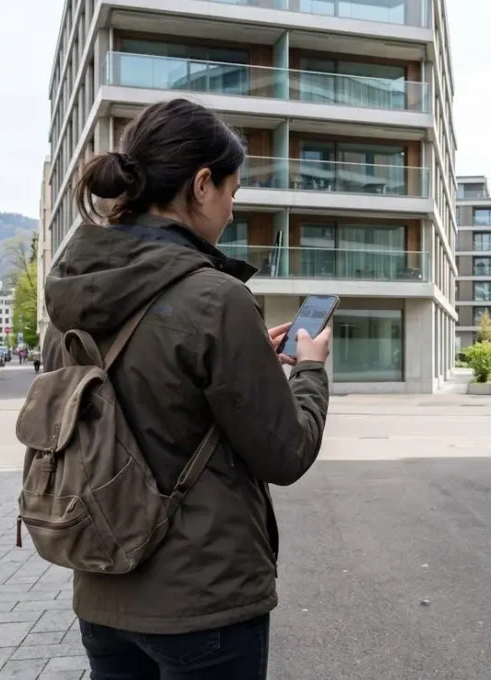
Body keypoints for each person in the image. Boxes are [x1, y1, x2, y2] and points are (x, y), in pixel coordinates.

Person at [44, 98, 330, 679]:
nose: (229, 212)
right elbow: (287, 452)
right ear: (202, 185)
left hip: (102, 589)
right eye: (231, 193)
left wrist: (249, 359)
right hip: (204, 604)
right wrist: (309, 371)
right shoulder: (216, 299)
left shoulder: (72, 294)